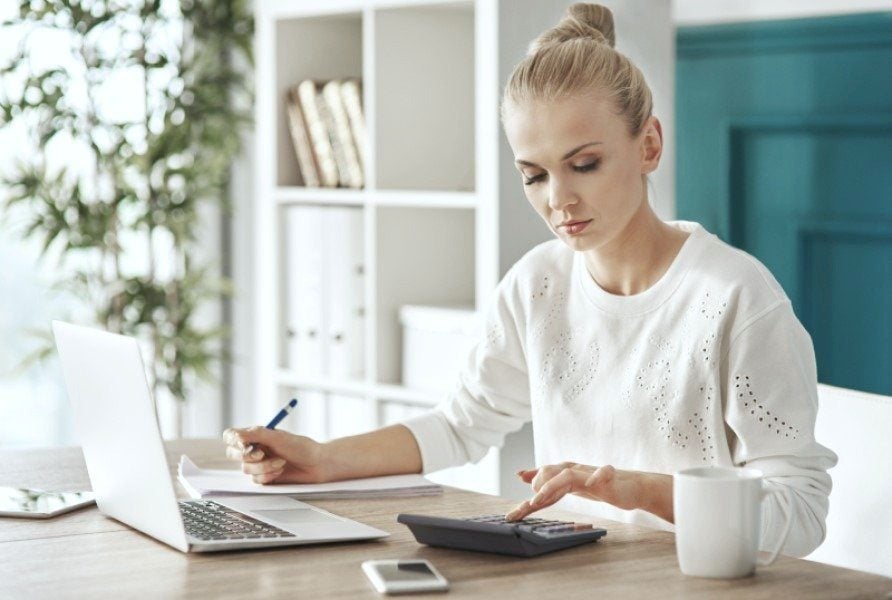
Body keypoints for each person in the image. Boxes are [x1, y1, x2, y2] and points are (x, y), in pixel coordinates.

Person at [224, 3, 836, 557]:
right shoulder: (537, 285)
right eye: (533, 175)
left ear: (648, 143)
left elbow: (801, 516)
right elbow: (462, 423)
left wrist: (637, 490)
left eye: (585, 164)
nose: (559, 199)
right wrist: (323, 459)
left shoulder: (735, 300)